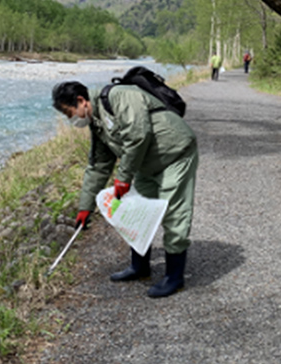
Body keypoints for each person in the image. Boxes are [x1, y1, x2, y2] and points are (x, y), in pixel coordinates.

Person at [52, 80, 199, 298]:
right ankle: (139, 267)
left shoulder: (119, 96)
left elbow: (138, 135)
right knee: (137, 213)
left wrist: (123, 177)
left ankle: (174, 277)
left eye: (68, 112)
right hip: (145, 164)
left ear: (81, 101)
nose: (70, 118)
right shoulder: (97, 121)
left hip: (175, 154)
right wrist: (85, 207)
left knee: (174, 214)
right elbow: (98, 166)